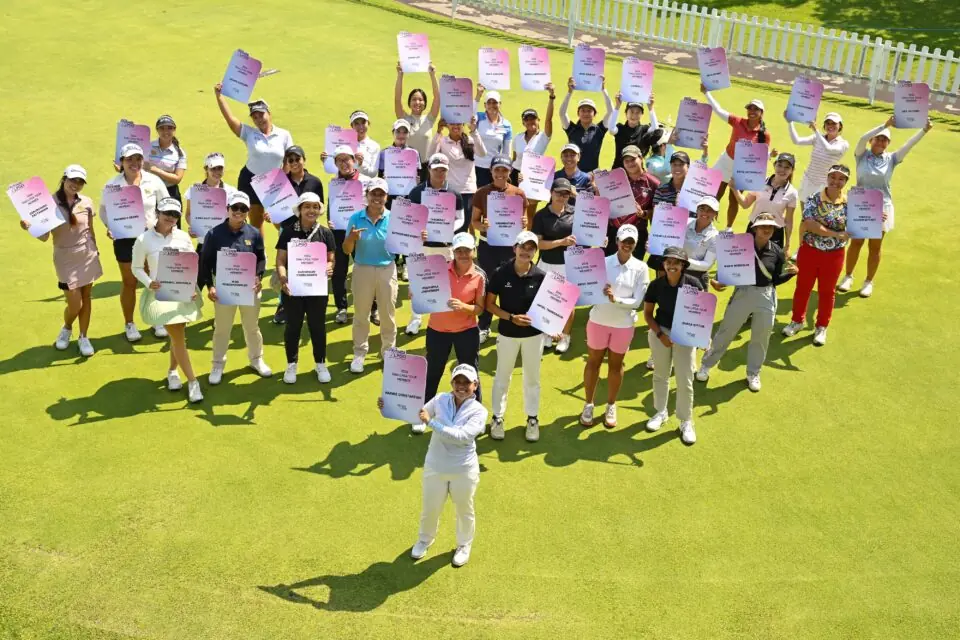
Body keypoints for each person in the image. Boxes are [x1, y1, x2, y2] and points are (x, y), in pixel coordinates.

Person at [380, 363, 486, 568]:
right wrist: (390, 405)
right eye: (457, 381)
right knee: (430, 508)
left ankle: (464, 545)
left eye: (466, 382)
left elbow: (462, 436)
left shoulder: (479, 411)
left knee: (464, 509)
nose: (461, 386)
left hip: (463, 470)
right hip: (435, 466)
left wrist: (432, 423)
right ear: (452, 382)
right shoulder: (440, 399)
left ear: (475, 385)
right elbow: (418, 413)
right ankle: (424, 540)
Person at [695, 213, 798, 391]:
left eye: (770, 227)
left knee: (761, 336)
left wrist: (790, 274)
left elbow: (775, 279)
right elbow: (729, 269)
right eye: (763, 226)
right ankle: (706, 365)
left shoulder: (777, 251)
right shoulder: (740, 246)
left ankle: (753, 373)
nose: (767, 229)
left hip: (766, 295)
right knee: (726, 331)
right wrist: (719, 281)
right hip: (743, 292)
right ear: (755, 228)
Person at [838, 116, 933, 297]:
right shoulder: (861, 155)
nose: (881, 142)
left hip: (881, 207)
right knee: (856, 242)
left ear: (888, 143)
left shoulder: (892, 158)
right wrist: (885, 125)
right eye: (878, 138)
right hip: (861, 204)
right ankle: (848, 276)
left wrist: (924, 130)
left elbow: (908, 145)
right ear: (872, 140)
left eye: (884, 139)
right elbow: (862, 139)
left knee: (875, 246)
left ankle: (868, 281)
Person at [21, 165, 102, 357]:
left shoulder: (87, 202)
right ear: (64, 179)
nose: (76, 184)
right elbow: (44, 237)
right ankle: (67, 327)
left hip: (87, 255)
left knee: (86, 297)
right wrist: (29, 227)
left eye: (80, 182)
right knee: (75, 304)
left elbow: (90, 229)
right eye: (73, 180)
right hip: (65, 258)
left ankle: (83, 337)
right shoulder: (47, 204)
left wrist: (96, 250)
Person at [131, 198, 203, 402]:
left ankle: (172, 371)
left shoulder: (183, 237)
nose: (171, 218)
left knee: (177, 335)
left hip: (183, 293)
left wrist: (191, 286)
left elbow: (191, 264)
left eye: (175, 215)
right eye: (167, 213)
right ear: (158, 213)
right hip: (160, 295)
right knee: (178, 337)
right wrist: (149, 282)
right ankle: (193, 381)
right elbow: (136, 268)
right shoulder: (144, 239)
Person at [415, 233, 486, 435]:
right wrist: (417, 293)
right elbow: (423, 293)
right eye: (459, 250)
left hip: (466, 331)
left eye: (467, 250)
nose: (463, 254)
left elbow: (480, 308)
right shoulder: (439, 269)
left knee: (471, 373)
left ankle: (476, 418)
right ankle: (422, 415)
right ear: (453, 252)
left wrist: (464, 307)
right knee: (433, 371)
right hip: (438, 329)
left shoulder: (479, 276)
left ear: (474, 251)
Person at [579, 225, 649, 428]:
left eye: (631, 242)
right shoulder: (602, 262)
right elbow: (586, 287)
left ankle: (611, 404)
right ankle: (589, 404)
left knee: (616, 366)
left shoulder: (641, 268)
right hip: (598, 321)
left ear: (635, 244)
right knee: (593, 363)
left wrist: (615, 299)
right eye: (624, 240)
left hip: (623, 325)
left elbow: (637, 302)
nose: (627, 245)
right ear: (617, 241)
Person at [485, 230, 552, 443]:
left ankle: (532, 418)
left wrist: (554, 326)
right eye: (523, 247)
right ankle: (497, 418)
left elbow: (550, 308)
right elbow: (489, 304)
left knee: (532, 378)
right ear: (515, 248)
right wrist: (511, 318)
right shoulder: (500, 273)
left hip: (534, 336)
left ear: (535, 252)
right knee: (502, 377)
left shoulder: (541, 276)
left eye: (531, 248)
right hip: (507, 334)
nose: (526, 251)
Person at [200, 191, 272, 385]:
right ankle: (217, 364)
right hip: (224, 290)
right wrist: (210, 286)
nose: (238, 211)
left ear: (248, 211)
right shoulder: (214, 234)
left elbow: (261, 259)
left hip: (250, 289)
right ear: (228, 209)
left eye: (243, 208)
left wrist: (259, 277)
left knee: (252, 327)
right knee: (222, 329)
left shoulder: (254, 233)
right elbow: (205, 262)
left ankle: (256, 360)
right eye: (235, 207)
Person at [101, 143, 170, 342]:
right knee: (129, 282)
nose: (134, 163)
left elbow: (166, 205)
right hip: (124, 239)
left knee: (153, 278)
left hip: (151, 237)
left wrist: (163, 228)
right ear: (121, 162)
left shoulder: (154, 181)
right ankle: (129, 323)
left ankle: (157, 318)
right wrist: (110, 226)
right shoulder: (112, 185)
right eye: (129, 159)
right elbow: (104, 210)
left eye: (138, 158)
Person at [782, 164, 851, 346]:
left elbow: (859, 226)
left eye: (841, 178)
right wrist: (836, 234)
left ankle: (821, 326)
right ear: (827, 178)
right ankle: (797, 321)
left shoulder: (850, 203)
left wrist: (875, 218)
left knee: (827, 291)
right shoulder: (814, 198)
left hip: (834, 255)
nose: (836, 181)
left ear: (846, 181)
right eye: (833, 177)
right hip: (810, 251)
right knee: (803, 287)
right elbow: (810, 224)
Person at [643, 246, 704, 445]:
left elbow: (701, 314)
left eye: (676, 262)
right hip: (661, 332)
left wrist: (702, 337)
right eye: (668, 262)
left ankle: (686, 421)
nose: (672, 266)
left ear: (683, 265)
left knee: (685, 379)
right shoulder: (656, 285)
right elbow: (648, 315)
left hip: (685, 336)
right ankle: (661, 412)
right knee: (660, 375)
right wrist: (660, 335)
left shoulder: (694, 284)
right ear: (663, 264)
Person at [214, 86, 294, 233]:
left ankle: (288, 247)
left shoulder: (284, 134)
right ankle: (258, 248)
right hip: (250, 180)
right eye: (254, 117)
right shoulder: (249, 133)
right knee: (256, 222)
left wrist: (282, 181)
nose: (258, 119)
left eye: (261, 115)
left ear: (269, 113)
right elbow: (230, 119)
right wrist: (219, 96)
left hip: (274, 182)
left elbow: (289, 160)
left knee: (283, 222)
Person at [275, 193, 337, 384]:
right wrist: (283, 278)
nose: (311, 210)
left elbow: (331, 258)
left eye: (315, 207)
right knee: (293, 327)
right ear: (300, 209)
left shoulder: (325, 233)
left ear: (319, 210)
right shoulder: (288, 232)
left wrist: (329, 267)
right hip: (293, 289)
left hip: (317, 289)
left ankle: (320, 363)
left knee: (317, 327)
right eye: (307, 206)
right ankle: (291, 364)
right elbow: (280, 260)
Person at [403, 153, 466, 336]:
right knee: (419, 282)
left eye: (443, 170)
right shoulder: (416, 192)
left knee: (445, 282)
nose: (440, 173)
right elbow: (409, 217)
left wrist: (449, 228)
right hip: (421, 245)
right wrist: (418, 229)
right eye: (436, 169)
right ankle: (416, 319)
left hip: (444, 245)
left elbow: (460, 218)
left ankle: (442, 318)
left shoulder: (454, 193)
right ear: (429, 169)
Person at [471, 155, 530, 343]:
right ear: (491, 171)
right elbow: (474, 221)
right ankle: (484, 325)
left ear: (510, 172)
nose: (500, 174)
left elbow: (524, 223)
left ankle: (511, 322)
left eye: (504, 170)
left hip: (510, 247)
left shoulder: (518, 193)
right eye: (497, 169)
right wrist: (483, 226)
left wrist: (524, 222)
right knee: (487, 285)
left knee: (510, 284)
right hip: (488, 246)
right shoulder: (482, 193)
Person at [343, 178, 398, 374]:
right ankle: (359, 353)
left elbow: (405, 246)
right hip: (362, 269)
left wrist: (418, 237)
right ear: (367, 195)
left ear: (387, 197)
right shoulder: (356, 218)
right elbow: (346, 249)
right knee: (361, 314)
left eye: (381, 194)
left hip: (387, 269)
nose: (377, 198)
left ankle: (388, 352)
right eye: (373, 193)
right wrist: (352, 238)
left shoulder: (395, 218)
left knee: (387, 314)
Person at [701, 84, 774, 229]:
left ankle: (728, 228)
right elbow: (719, 110)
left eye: (755, 109)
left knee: (734, 199)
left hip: (743, 168)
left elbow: (760, 157)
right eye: (750, 108)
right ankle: (708, 223)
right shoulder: (738, 121)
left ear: (761, 113)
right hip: (726, 161)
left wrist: (770, 155)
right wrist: (707, 93)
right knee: (715, 195)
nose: (751, 111)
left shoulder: (764, 134)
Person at [272, 145, 326, 325]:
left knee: (306, 267)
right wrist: (273, 217)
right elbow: (276, 212)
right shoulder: (280, 183)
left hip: (310, 230)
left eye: (297, 159)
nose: (294, 163)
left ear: (304, 160)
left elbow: (320, 208)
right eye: (290, 160)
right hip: (287, 231)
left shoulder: (315, 182)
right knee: (286, 267)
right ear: (286, 163)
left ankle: (308, 303)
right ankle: (283, 304)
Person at [532, 178, 576, 352]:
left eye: (566, 194)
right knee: (545, 301)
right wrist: (561, 242)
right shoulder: (541, 215)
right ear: (551, 193)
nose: (561, 197)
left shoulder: (576, 212)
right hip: (547, 263)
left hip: (569, 265)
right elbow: (538, 244)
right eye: (558, 193)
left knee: (567, 303)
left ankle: (565, 336)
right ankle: (547, 333)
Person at [728, 152, 799, 254]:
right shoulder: (760, 181)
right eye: (780, 165)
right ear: (774, 165)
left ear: (792, 170)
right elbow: (745, 204)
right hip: (754, 228)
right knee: (747, 261)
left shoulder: (792, 193)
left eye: (787, 167)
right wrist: (735, 189)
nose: (782, 170)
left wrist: (787, 244)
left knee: (769, 263)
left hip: (775, 233)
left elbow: (788, 221)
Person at [427, 117, 485, 230]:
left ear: (463, 125)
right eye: (452, 123)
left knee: (463, 227)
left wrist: (474, 131)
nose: (455, 126)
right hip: (448, 191)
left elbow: (482, 153)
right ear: (447, 125)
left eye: (458, 123)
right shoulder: (442, 141)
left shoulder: (470, 140)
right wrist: (438, 131)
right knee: (446, 226)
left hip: (467, 191)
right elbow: (430, 156)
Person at [785, 111, 849, 208]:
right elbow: (796, 140)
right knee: (805, 214)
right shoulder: (817, 137)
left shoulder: (843, 144)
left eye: (834, 123)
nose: (830, 126)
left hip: (825, 184)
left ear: (840, 126)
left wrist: (816, 130)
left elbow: (829, 149)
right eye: (828, 123)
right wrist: (790, 122)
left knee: (819, 215)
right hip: (808, 180)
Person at [606, 145, 660, 259]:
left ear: (641, 158)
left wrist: (643, 213)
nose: (630, 163)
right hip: (613, 232)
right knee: (609, 267)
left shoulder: (654, 183)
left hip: (637, 232)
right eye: (626, 161)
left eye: (633, 159)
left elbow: (658, 213)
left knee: (633, 267)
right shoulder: (615, 180)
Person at [183, 153, 238, 257]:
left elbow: (237, 216)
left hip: (226, 243)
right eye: (213, 168)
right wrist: (194, 227)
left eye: (220, 168)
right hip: (203, 242)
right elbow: (189, 214)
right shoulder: (194, 190)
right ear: (206, 169)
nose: (217, 172)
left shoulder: (231, 191)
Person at [395, 61, 441, 180]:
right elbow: (397, 99)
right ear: (409, 102)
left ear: (425, 103)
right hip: (407, 165)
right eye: (414, 99)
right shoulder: (404, 119)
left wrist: (432, 75)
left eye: (420, 100)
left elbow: (437, 98)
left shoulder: (429, 119)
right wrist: (400, 75)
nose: (417, 102)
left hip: (427, 167)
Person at [559, 76, 614, 172]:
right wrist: (569, 92)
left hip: (593, 174)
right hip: (574, 174)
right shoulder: (571, 129)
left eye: (589, 111)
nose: (586, 113)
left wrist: (603, 89)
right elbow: (562, 113)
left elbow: (611, 112)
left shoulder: (599, 129)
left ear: (594, 114)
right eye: (583, 110)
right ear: (578, 113)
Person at [473, 85, 513, 187]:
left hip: (495, 169)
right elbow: (469, 115)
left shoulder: (506, 124)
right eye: (489, 102)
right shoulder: (479, 117)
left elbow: (507, 152)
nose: (492, 105)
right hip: (476, 166)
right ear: (485, 105)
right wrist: (478, 96)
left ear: (500, 104)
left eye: (495, 102)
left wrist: (507, 169)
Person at [607, 93, 660, 169]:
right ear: (626, 113)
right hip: (619, 170)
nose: (634, 115)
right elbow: (611, 129)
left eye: (638, 112)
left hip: (637, 171)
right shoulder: (620, 128)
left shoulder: (644, 130)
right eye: (631, 112)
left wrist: (651, 108)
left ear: (642, 115)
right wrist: (617, 106)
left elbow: (656, 130)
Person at [145, 115, 187, 206]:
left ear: (174, 130)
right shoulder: (147, 147)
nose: (166, 131)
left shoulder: (180, 152)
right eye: (162, 128)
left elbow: (177, 179)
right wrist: (122, 169)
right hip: (149, 192)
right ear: (157, 130)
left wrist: (155, 170)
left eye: (169, 128)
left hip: (170, 193)